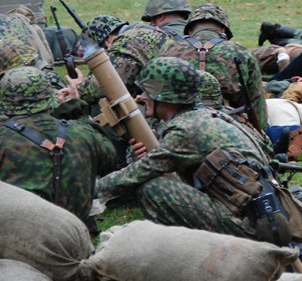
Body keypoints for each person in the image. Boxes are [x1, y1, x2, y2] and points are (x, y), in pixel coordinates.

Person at [96, 57, 273, 240]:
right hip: (261, 212)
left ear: (163, 96)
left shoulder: (185, 129)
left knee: (154, 189)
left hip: (251, 224)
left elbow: (140, 172)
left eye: (147, 92)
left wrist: (91, 192)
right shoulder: (204, 116)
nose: (141, 97)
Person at [0, 66, 118, 230]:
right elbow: (110, 160)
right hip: (74, 235)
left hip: (17, 236)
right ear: (50, 98)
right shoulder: (83, 132)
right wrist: (77, 111)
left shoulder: (3, 137)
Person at [159, 3, 267, 131]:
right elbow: (256, 103)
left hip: (176, 125)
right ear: (223, 29)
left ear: (189, 31)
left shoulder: (169, 51)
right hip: (228, 126)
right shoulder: (242, 52)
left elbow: (154, 95)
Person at [76, 14, 173, 107]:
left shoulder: (125, 43)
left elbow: (105, 87)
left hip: (168, 102)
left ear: (109, 39)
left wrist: (78, 89)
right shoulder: (146, 31)